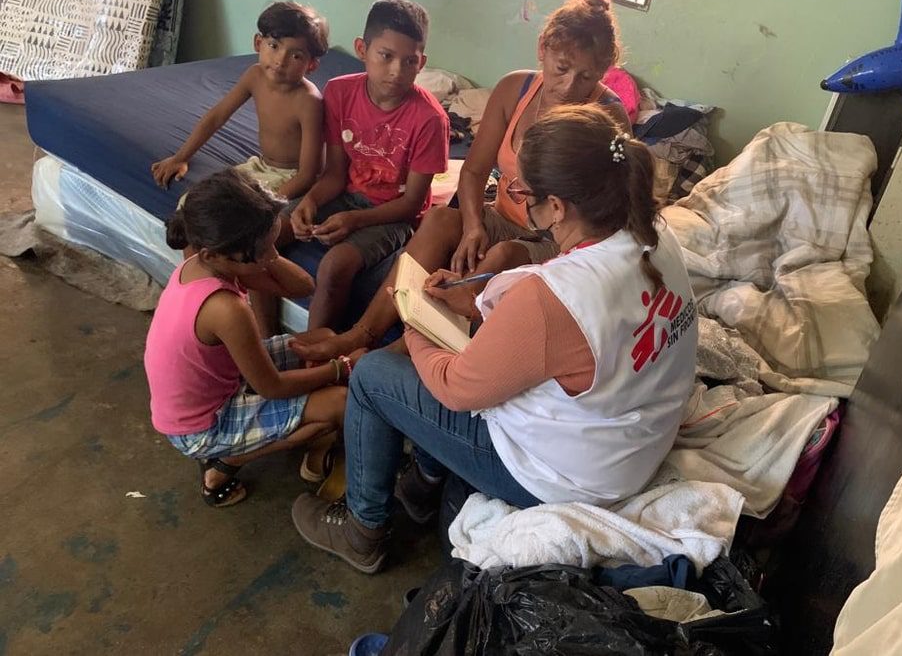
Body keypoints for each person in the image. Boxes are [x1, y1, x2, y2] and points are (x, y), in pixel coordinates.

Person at [290, 104, 699, 573]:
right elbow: (570, 323)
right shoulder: (652, 233)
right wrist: (474, 305)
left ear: (558, 207)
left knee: (375, 376)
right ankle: (423, 485)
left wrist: (415, 319)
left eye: (523, 192)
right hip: (632, 447)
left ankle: (363, 530)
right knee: (455, 359)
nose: (518, 200)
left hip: (566, 476)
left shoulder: (553, 299)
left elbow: (457, 389)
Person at [290, 0, 631, 362]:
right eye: (561, 68)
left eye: (587, 77)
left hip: (556, 235)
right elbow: (472, 172)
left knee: (501, 254)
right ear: (542, 48)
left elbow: (595, 219)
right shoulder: (514, 90)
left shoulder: (607, 118)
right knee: (438, 220)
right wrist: (472, 226)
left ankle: (395, 355)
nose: (569, 87)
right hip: (502, 215)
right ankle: (361, 334)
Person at [144, 170, 355, 508]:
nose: (269, 256)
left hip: (215, 389)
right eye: (261, 252)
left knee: (323, 337)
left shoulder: (206, 263)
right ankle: (225, 462)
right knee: (339, 404)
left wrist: (266, 251)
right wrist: (340, 367)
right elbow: (271, 386)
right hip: (200, 427)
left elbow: (304, 287)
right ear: (214, 254)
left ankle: (251, 440)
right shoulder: (225, 309)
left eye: (272, 243)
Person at [254, 0, 449, 337]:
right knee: (260, 236)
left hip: (392, 214)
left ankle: (315, 359)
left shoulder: (430, 119)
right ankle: (267, 341)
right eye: (385, 56)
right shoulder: (340, 92)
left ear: (422, 63)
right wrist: (311, 202)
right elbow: (334, 174)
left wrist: (355, 220)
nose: (396, 71)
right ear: (362, 49)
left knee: (334, 266)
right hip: (342, 195)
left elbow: (413, 205)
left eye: (410, 61)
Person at [151, 1, 328, 201]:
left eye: (296, 55)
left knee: (234, 220)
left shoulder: (308, 101)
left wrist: (267, 204)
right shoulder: (255, 75)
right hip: (259, 166)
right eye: (274, 46)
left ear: (311, 65)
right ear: (258, 43)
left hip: (291, 179)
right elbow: (216, 117)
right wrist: (181, 157)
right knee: (191, 201)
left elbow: (308, 175)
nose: (280, 60)